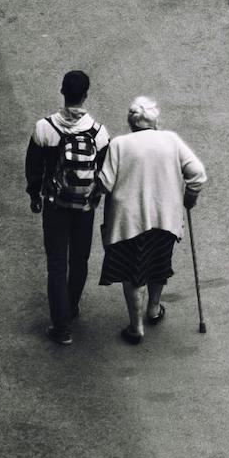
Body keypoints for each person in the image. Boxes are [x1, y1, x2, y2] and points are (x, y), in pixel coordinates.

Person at [96, 95, 207, 344]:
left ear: (131, 121)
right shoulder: (171, 140)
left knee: (132, 274)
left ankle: (136, 328)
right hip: (166, 218)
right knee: (158, 264)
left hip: (130, 222)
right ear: (156, 121)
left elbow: (104, 184)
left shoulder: (119, 145)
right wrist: (190, 197)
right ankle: (154, 310)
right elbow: (197, 174)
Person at [24, 70, 110, 346]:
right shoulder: (98, 132)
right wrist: (95, 197)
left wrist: (34, 195)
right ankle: (71, 307)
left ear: (62, 91)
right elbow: (105, 171)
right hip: (84, 206)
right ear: (86, 95)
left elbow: (33, 168)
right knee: (79, 261)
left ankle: (61, 326)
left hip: (55, 204)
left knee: (57, 264)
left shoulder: (45, 128)